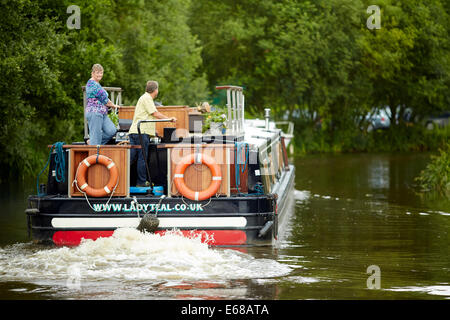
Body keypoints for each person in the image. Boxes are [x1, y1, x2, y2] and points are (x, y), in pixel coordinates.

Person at [128, 81, 176, 187]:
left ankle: (123, 179)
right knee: (142, 158)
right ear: (156, 90)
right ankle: (141, 182)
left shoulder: (144, 98)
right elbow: (155, 114)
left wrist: (153, 132)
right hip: (140, 132)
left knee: (131, 158)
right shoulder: (147, 98)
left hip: (136, 131)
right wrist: (169, 119)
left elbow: (145, 116)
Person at [85, 64, 119, 145]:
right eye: (97, 72)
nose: (99, 75)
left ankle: (92, 142)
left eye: (101, 73)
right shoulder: (92, 84)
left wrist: (112, 104)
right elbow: (105, 100)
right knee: (95, 137)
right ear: (92, 73)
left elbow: (105, 98)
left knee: (111, 131)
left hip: (102, 113)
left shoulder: (97, 84)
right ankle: (93, 146)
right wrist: (114, 106)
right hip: (94, 113)